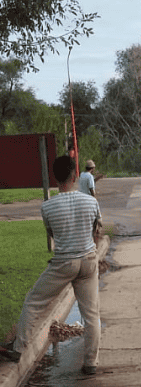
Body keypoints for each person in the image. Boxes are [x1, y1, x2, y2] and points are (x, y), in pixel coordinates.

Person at [1, 156, 103, 375]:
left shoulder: (47, 207)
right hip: (88, 261)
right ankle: (91, 363)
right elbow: (97, 230)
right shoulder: (91, 202)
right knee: (91, 314)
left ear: (56, 179)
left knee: (34, 301)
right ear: (75, 176)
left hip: (63, 263)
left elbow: (52, 234)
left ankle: (19, 348)